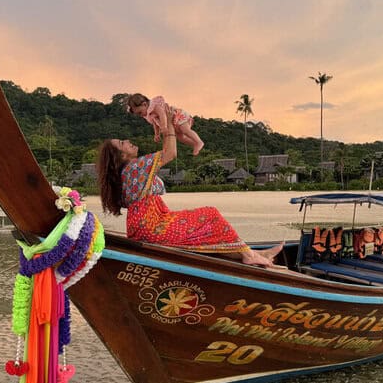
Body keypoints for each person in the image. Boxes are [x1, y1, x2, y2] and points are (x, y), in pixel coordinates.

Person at [97, 113, 282, 268]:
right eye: (122, 143)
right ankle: (249, 255)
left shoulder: (128, 173)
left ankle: (253, 253)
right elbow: (170, 153)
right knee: (210, 215)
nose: (128, 141)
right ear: (121, 155)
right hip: (152, 226)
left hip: (148, 224)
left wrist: (167, 125)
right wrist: (168, 124)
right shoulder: (134, 168)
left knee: (205, 232)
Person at [126, 93, 204, 156]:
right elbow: (155, 124)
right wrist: (156, 134)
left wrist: (163, 126)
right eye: (138, 114)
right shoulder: (148, 114)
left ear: (145, 104)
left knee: (185, 130)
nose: (141, 115)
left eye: (140, 112)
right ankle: (194, 144)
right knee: (180, 138)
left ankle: (199, 142)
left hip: (178, 116)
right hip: (174, 123)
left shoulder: (154, 106)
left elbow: (162, 114)